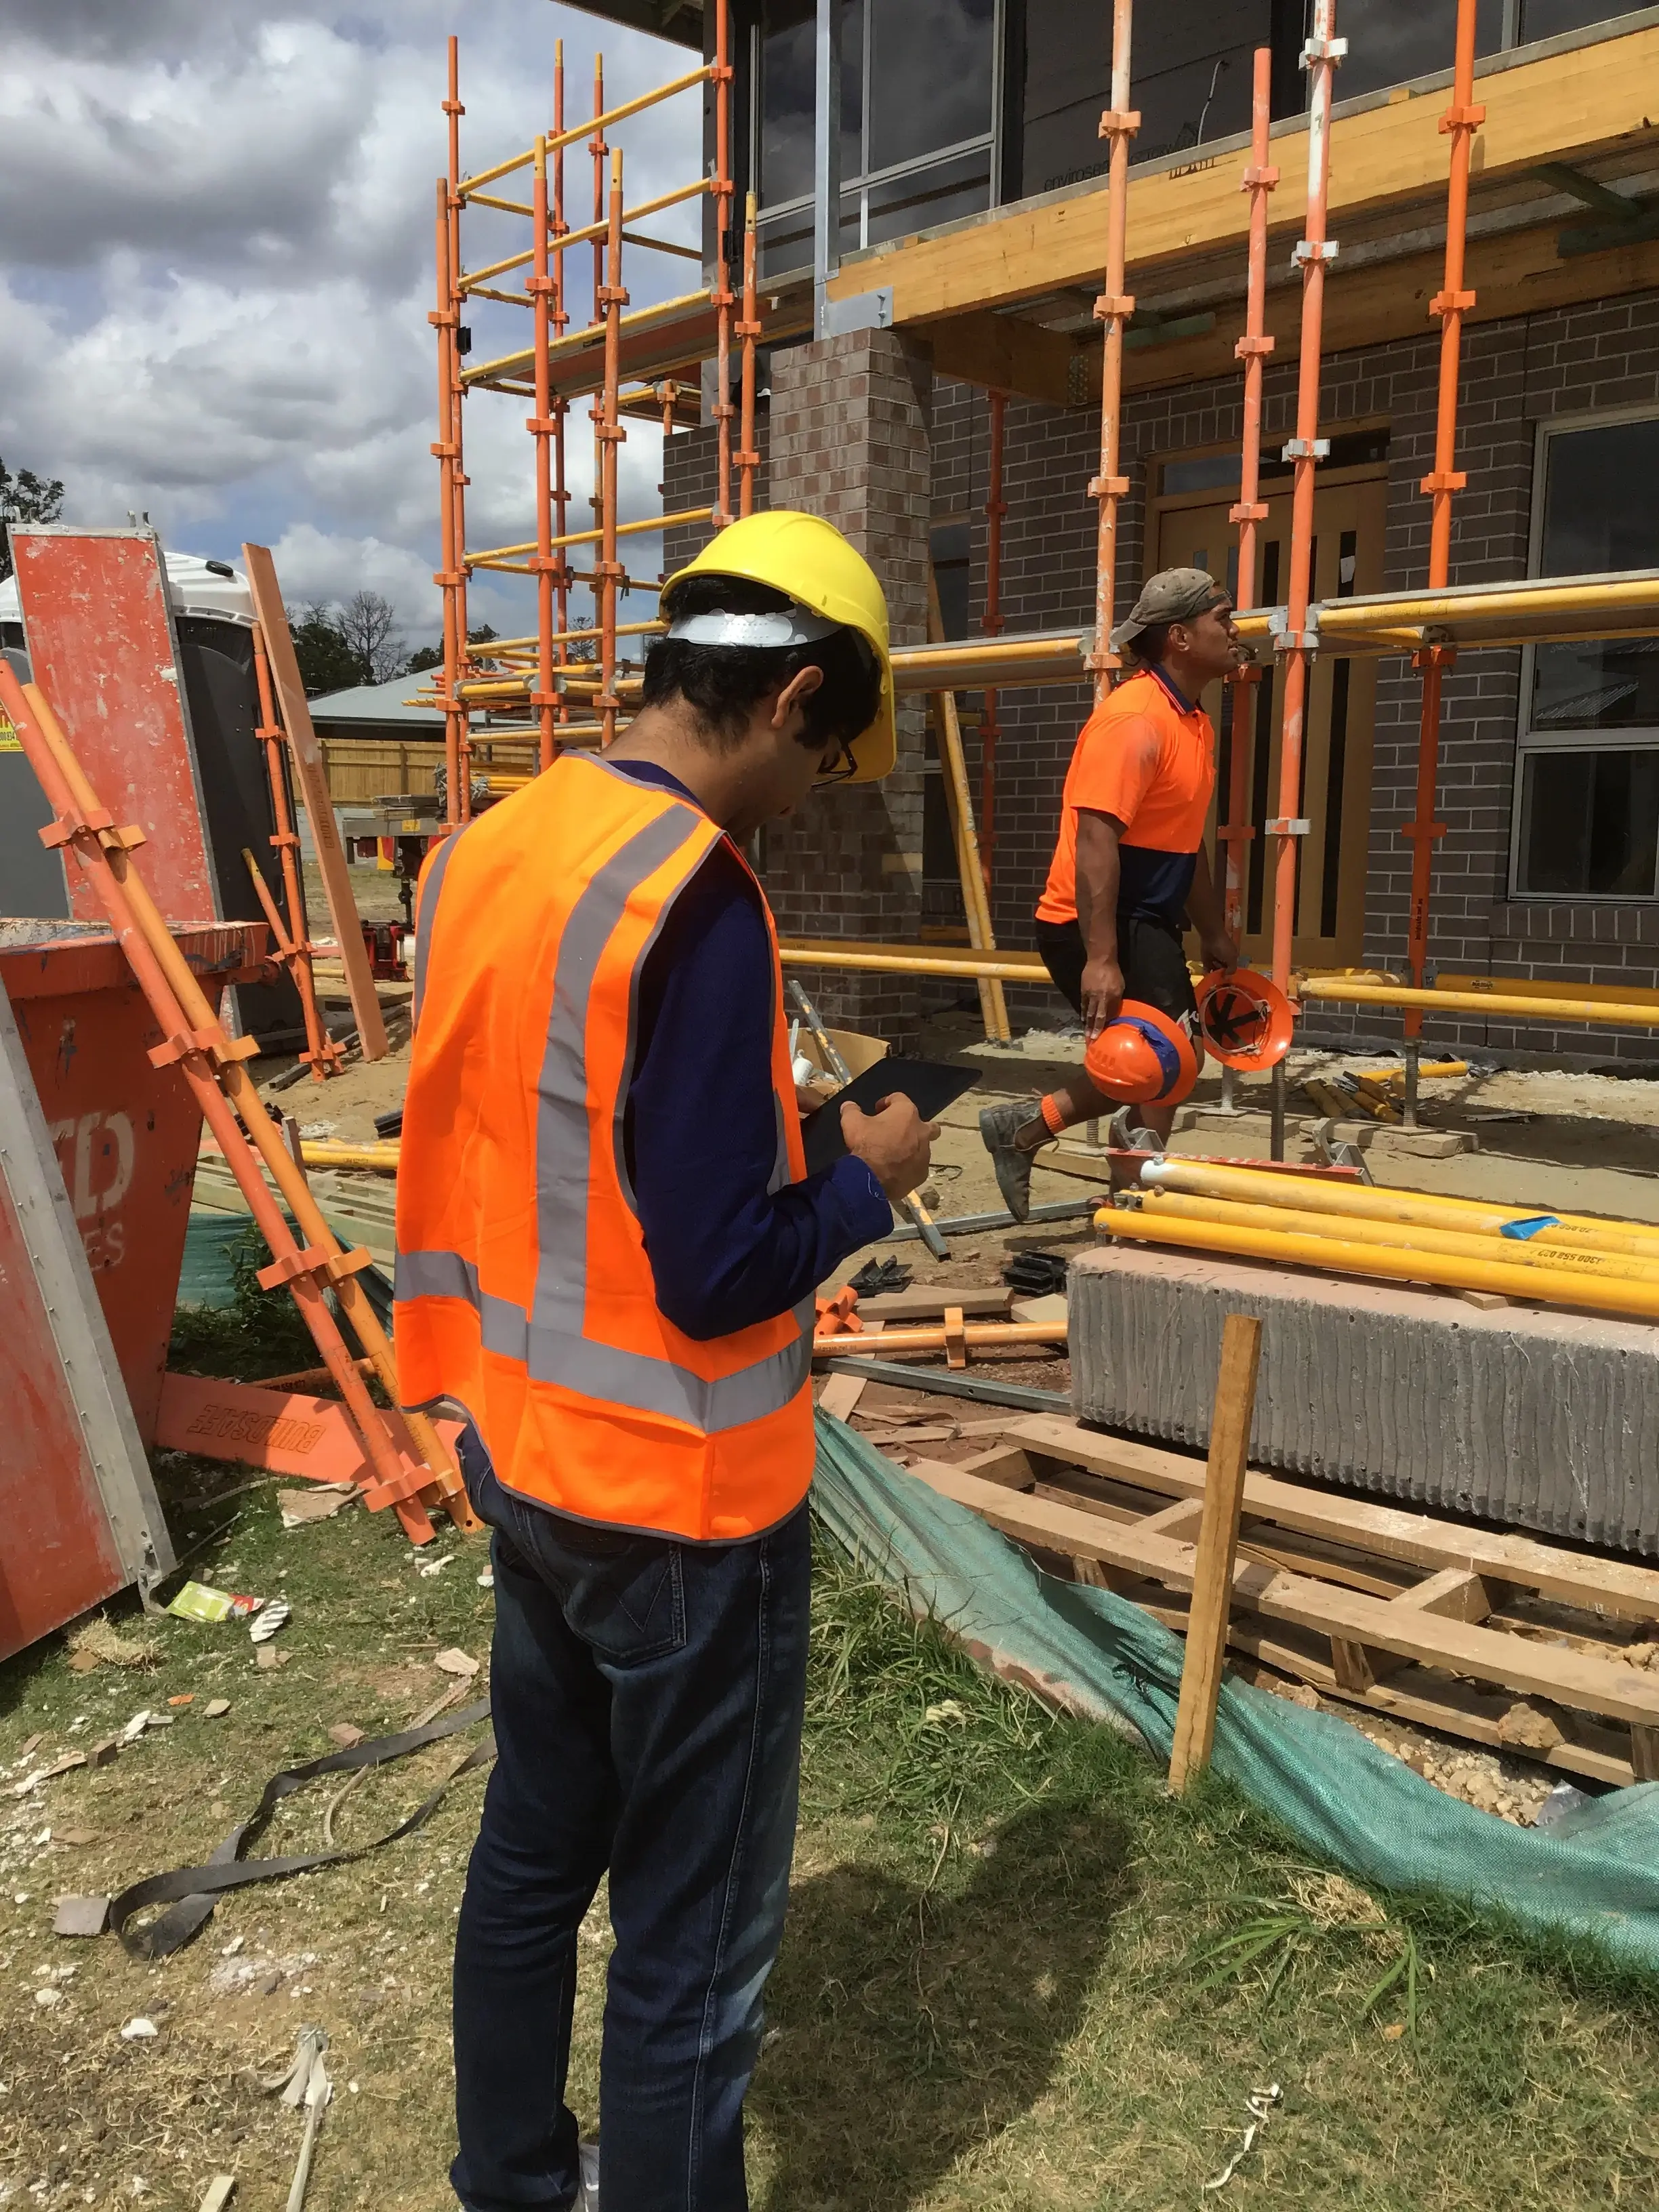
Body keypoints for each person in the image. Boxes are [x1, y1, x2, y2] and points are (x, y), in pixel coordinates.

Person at [394, 510, 937, 2212]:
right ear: (785, 697)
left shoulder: (496, 843)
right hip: (680, 1512)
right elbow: (711, 1277)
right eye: (827, 749)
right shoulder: (697, 896)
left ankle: (511, 2181)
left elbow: (566, 1144)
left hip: (521, 1450)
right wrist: (861, 1180)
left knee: (532, 1860)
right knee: (690, 1954)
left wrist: (772, 1131)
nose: (816, 785)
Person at [979, 567, 1245, 1221]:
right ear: (1180, 637)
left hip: (1145, 912)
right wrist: (1101, 957)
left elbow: (1187, 839)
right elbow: (1096, 838)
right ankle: (1116, 1186)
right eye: (1224, 619)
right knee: (1161, 1058)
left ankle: (1092, 1166)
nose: (1237, 631)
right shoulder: (1132, 720)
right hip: (1087, 917)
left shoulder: (1194, 723)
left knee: (1172, 1062)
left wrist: (1212, 928)